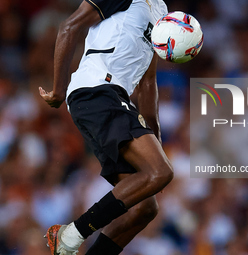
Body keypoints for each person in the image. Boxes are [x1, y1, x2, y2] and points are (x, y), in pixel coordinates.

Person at [39, 0, 174, 254]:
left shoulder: (161, 10)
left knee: (145, 208)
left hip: (113, 98)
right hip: (97, 89)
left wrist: (156, 142)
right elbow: (70, 26)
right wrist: (58, 89)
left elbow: (148, 82)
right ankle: (69, 236)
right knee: (160, 172)